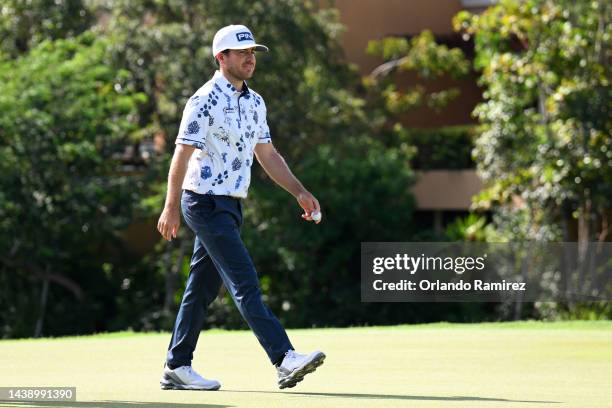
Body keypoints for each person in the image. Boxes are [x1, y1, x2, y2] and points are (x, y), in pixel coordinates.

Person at [156, 24, 325, 391]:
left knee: (201, 288)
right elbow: (181, 154)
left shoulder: (255, 102)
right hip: (202, 202)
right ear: (221, 58)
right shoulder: (203, 100)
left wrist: (299, 191)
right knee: (244, 281)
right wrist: (170, 207)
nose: (251, 58)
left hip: (231, 205)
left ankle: (176, 365)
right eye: (242, 52)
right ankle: (283, 358)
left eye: (253, 52)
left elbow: (267, 153)